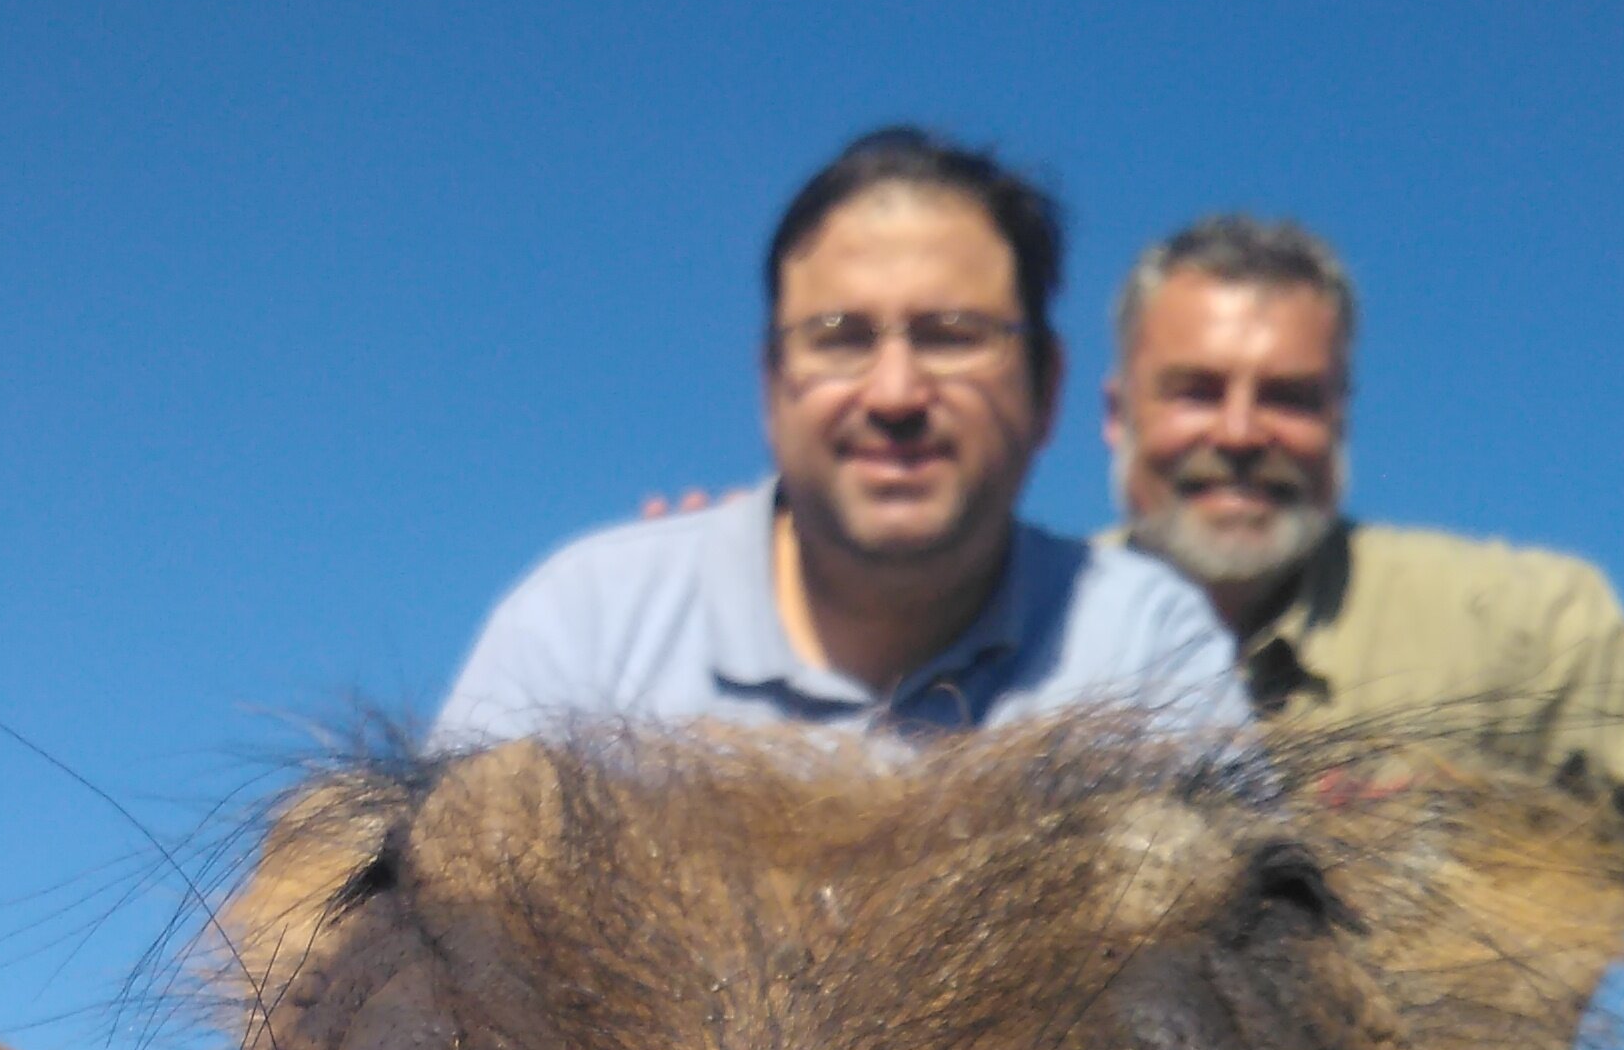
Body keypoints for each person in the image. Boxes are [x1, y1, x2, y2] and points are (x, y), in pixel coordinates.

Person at [1105, 214, 1624, 1050]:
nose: (1240, 430)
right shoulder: (1006, 627)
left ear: (1341, 420)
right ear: (1117, 414)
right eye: (1195, 390)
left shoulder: (1510, 617)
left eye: (1290, 397)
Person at [431, 131, 1246, 756]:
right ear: (770, 383)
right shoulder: (590, 625)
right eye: (840, 338)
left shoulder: (1145, 643)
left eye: (952, 336)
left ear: (1048, 388)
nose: (895, 393)